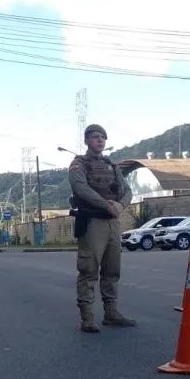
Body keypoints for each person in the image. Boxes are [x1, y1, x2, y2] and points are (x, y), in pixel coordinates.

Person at [68, 123, 136, 332]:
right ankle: (87, 318)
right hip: (92, 222)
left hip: (112, 222)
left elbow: (127, 191)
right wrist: (107, 204)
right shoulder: (79, 164)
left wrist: (120, 205)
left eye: (103, 137)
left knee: (112, 269)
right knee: (89, 270)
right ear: (87, 140)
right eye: (96, 137)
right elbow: (81, 188)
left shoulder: (112, 165)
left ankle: (111, 312)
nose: (100, 140)